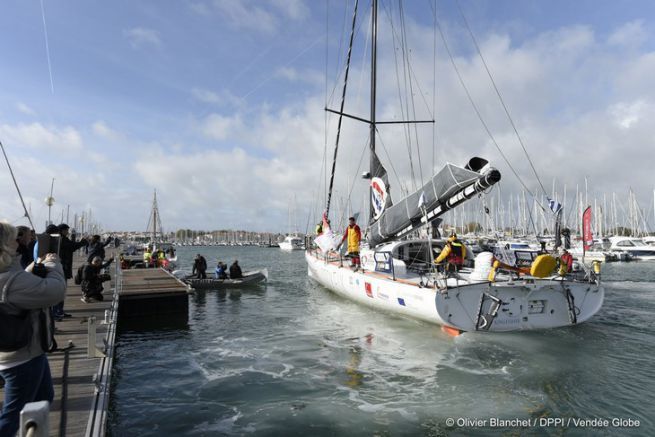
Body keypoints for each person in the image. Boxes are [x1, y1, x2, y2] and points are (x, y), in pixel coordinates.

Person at [0, 222, 66, 437]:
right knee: (13, 414)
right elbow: (55, 291)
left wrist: (30, 270)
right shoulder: (10, 279)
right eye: (14, 238)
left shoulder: (10, 274)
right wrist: (54, 263)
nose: (18, 242)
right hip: (21, 357)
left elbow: (18, 283)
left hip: (27, 352)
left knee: (42, 398)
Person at [52, 224, 88, 320]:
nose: (68, 231)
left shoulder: (63, 239)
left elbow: (72, 246)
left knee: (62, 291)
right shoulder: (61, 239)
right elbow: (72, 247)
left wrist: (79, 242)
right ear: (62, 230)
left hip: (64, 267)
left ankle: (60, 311)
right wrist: (82, 242)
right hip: (62, 268)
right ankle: (58, 312)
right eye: (67, 230)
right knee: (60, 291)